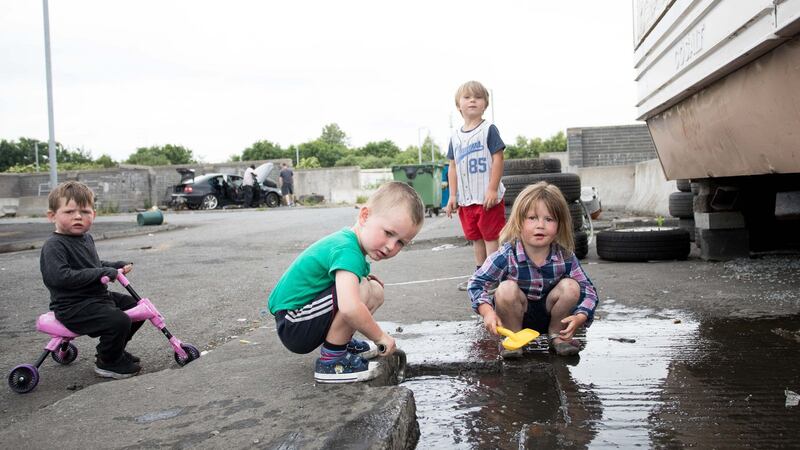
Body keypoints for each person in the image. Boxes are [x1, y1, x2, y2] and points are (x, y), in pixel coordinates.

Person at [267, 181, 424, 383]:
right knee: (360, 291)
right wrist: (380, 337)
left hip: (301, 317)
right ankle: (332, 360)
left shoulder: (350, 246)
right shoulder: (346, 249)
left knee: (374, 289)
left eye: (401, 242)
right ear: (365, 216)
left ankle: (341, 342)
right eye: (388, 233)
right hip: (293, 322)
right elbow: (349, 307)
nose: (391, 246)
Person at [467, 182, 598, 357]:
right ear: (518, 222)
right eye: (532, 218)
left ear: (559, 225)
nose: (540, 225)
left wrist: (581, 315)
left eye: (549, 219)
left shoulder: (565, 256)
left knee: (571, 287)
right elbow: (476, 283)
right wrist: (487, 312)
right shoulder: (507, 254)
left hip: (551, 317)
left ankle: (558, 337)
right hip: (516, 316)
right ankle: (513, 341)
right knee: (505, 289)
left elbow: (589, 291)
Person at [40, 181, 144, 379]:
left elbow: (93, 264)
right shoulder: (54, 246)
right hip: (73, 306)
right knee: (119, 320)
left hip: (96, 297)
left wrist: (113, 265)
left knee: (135, 308)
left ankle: (114, 350)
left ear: (93, 215)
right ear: (52, 216)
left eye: (85, 212)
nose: (78, 216)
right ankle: (108, 361)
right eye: (69, 212)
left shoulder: (86, 238)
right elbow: (60, 277)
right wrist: (100, 273)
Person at [444, 80, 506, 291]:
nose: (472, 100)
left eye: (478, 97)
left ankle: (494, 276)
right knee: (476, 238)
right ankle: (481, 275)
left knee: (490, 237)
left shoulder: (489, 129)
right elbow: (452, 167)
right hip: (466, 199)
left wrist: (492, 188)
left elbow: (498, 159)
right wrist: (452, 196)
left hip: (487, 197)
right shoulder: (455, 136)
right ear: (458, 105)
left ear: (485, 104)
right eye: (467, 97)